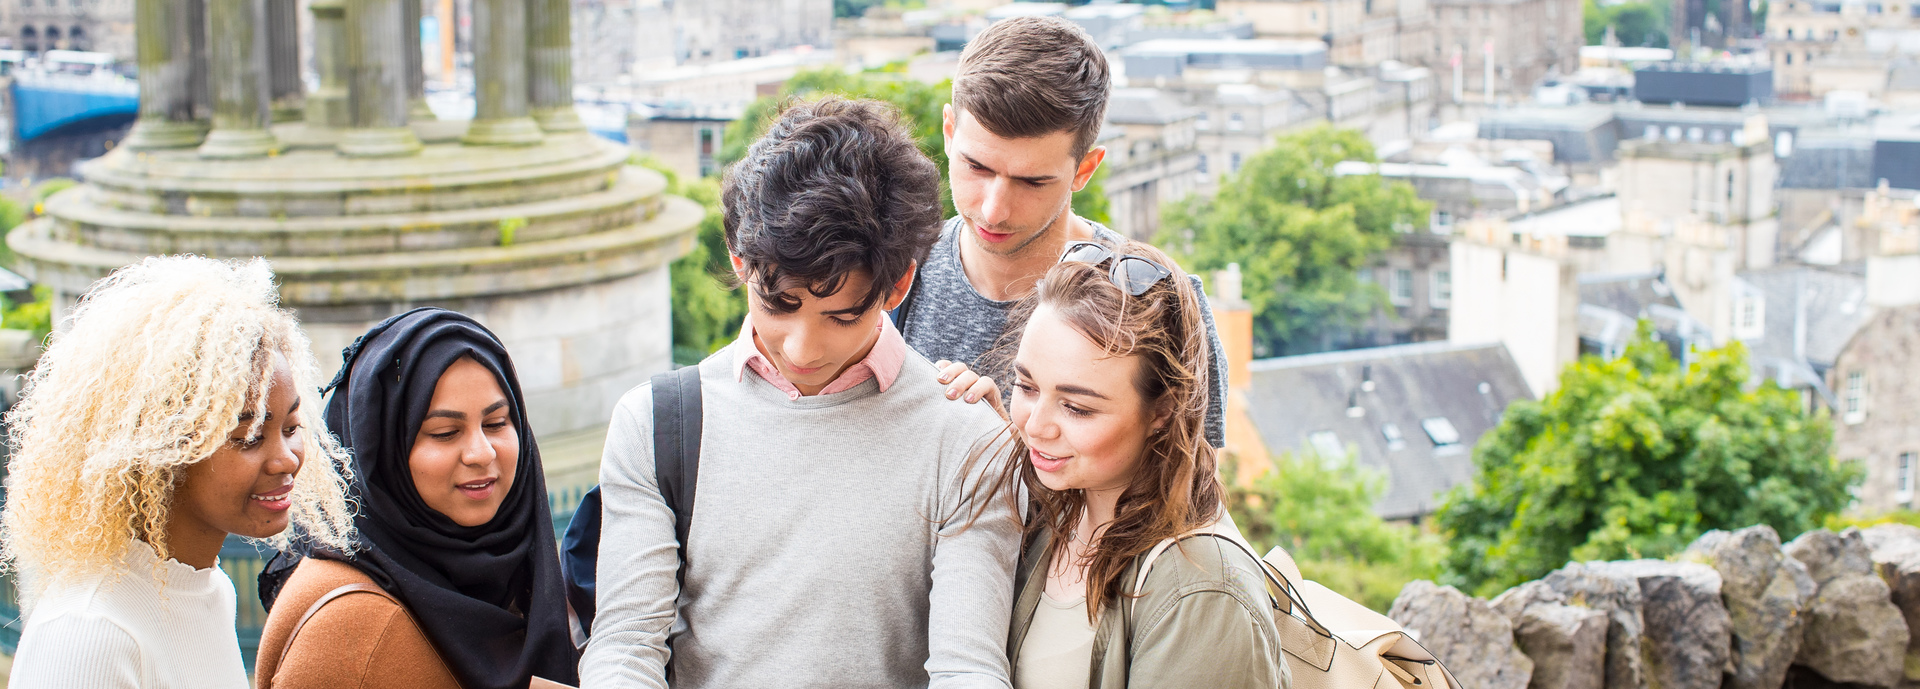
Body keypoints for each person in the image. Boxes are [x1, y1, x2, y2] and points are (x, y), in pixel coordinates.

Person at [579, 97, 1020, 689]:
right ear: (740, 264)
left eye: (840, 316)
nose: (802, 349)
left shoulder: (966, 439)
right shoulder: (658, 424)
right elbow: (626, 647)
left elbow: (969, 669)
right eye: (777, 305)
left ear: (898, 286)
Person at [2, 256, 355, 689]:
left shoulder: (211, 591)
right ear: (159, 447)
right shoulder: (89, 632)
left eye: (290, 428)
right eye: (249, 437)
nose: (286, 459)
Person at [895, 16, 1227, 449]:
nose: (994, 210)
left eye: (1033, 182)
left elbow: (1191, 499)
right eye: (977, 167)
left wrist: (1011, 452)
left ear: (1084, 169)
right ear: (949, 132)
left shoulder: (1154, 300)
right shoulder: (893, 268)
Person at [993, 239, 1288, 688]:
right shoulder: (1057, 510)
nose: (1036, 426)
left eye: (1077, 408)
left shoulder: (1204, 592)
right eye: (1027, 386)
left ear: (1163, 411)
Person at [254, 308, 577, 689]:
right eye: (444, 432)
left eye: (496, 423)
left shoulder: (506, 579)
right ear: (381, 453)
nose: (482, 453)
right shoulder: (350, 628)